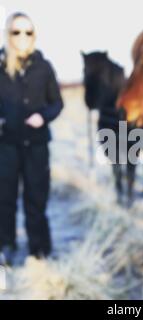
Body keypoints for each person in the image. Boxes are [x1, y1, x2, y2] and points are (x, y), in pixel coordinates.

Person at [0, 12, 63, 264]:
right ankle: (5, 244)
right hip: (6, 145)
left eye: (28, 32)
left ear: (33, 35)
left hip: (37, 146)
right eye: (17, 32)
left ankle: (39, 250)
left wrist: (43, 116)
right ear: (8, 34)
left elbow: (57, 103)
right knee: (4, 198)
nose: (22, 37)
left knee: (36, 199)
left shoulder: (44, 66)